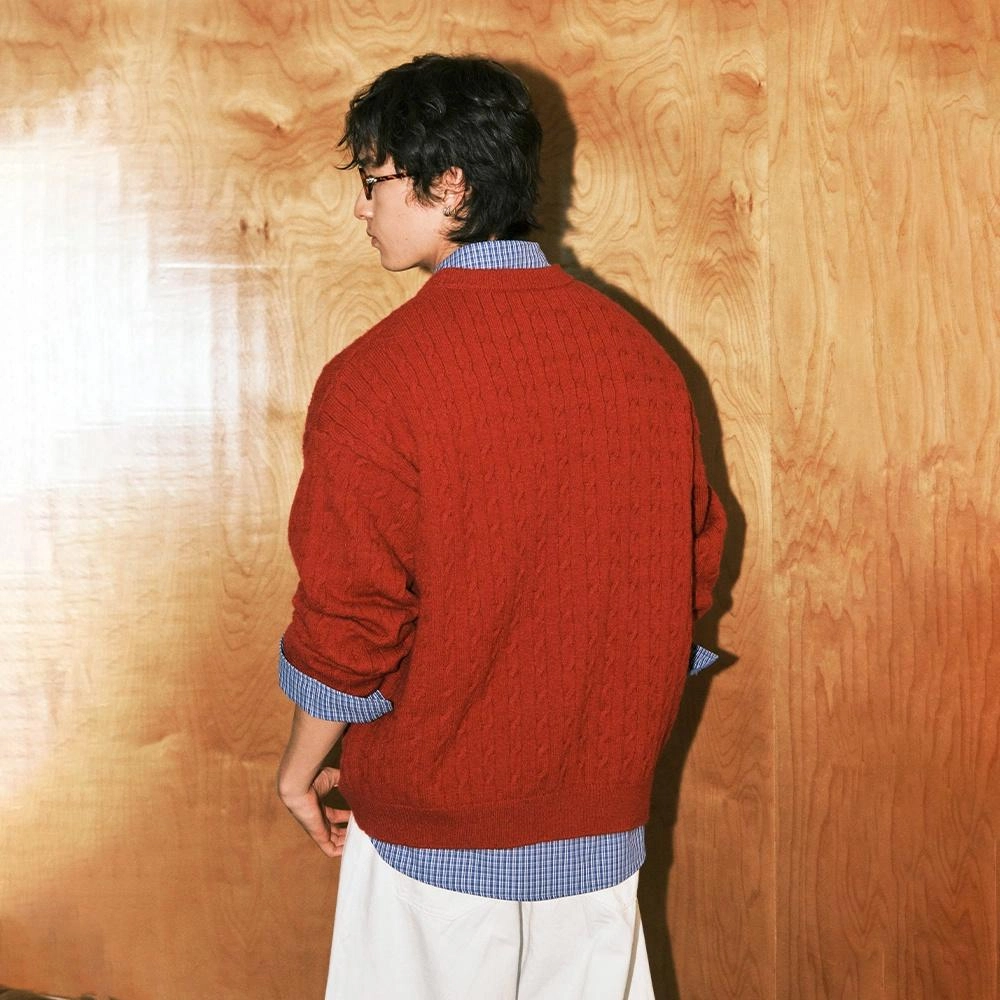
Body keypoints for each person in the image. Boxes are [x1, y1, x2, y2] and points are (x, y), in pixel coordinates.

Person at [275, 53, 727, 1000]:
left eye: (374, 178)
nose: (361, 206)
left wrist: (300, 766)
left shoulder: (378, 379)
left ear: (449, 185)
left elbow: (352, 614)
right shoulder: (642, 362)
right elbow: (686, 576)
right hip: (601, 836)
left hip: (435, 840)